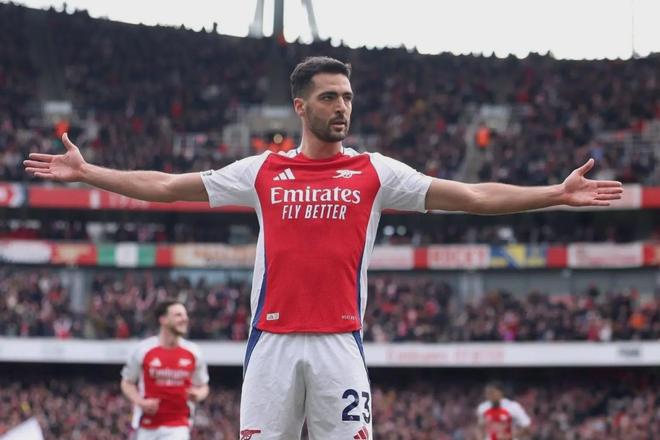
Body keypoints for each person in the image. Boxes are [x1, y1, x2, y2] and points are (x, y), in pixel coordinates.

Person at [24, 56, 622, 439]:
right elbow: (165, 187)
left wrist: (554, 194)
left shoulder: (376, 171)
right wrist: (89, 172)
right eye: (330, 97)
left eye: (347, 97)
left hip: (341, 343)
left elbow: (471, 196)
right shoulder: (262, 170)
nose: (342, 107)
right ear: (301, 106)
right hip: (271, 343)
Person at [120, 300, 209, 440]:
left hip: (178, 425)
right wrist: (141, 402)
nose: (185, 319)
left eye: (185, 315)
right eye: (178, 315)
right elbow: (127, 382)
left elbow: (204, 386)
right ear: (163, 319)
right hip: (146, 425)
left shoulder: (194, 352)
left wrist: (198, 394)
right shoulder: (143, 350)